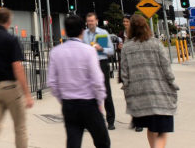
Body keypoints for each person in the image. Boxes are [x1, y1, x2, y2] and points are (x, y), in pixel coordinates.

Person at [48, 14, 110, 148]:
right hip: (89, 104)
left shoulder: (55, 52)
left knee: (73, 142)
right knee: (102, 141)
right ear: (82, 30)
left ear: (65, 31)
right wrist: (99, 102)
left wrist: (63, 99)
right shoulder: (89, 51)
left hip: (69, 104)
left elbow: (52, 82)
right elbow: (97, 81)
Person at [121, 14, 179, 148]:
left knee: (150, 128)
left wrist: (127, 90)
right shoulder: (156, 44)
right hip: (160, 93)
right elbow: (166, 68)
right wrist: (173, 84)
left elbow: (124, 73)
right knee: (162, 131)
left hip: (139, 97)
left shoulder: (127, 47)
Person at [0, 7, 34, 148]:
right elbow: (18, 68)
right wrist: (27, 94)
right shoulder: (11, 39)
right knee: (20, 128)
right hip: (10, 88)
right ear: (9, 21)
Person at [83, 12, 116, 130]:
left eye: (92, 21)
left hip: (101, 63)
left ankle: (111, 121)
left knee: (106, 92)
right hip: (89, 65)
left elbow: (112, 50)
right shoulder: (84, 35)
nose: (90, 23)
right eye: (88, 21)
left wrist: (101, 48)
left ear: (96, 21)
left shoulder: (103, 33)